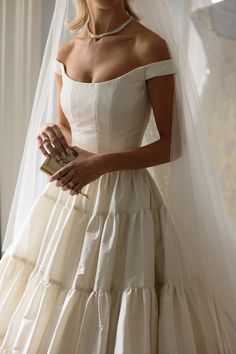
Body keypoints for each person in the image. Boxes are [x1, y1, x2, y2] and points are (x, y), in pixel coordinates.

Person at [1, 0, 236, 353]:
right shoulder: (67, 49)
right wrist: (50, 133)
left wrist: (101, 164)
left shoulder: (149, 46)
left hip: (127, 201)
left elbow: (172, 145)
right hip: (68, 200)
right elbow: (68, 125)